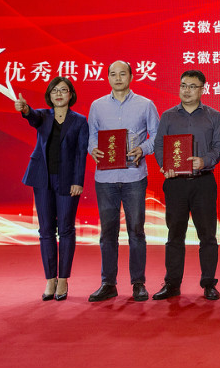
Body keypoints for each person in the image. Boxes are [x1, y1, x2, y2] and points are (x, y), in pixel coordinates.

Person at [87, 61, 159, 302]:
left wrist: (142, 149)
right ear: (108, 77)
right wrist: (93, 149)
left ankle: (138, 283)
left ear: (131, 76)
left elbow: (156, 135)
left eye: (122, 74)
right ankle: (108, 283)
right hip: (105, 178)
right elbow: (91, 136)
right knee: (108, 232)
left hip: (134, 177)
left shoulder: (145, 104)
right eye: (113, 74)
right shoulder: (97, 106)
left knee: (136, 231)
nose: (118, 78)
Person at [152, 70, 220, 301]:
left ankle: (209, 283)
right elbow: (159, 146)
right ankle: (172, 284)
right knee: (175, 235)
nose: (187, 90)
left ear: (203, 89)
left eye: (193, 86)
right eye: (183, 85)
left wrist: (205, 160)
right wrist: (165, 165)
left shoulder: (213, 116)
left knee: (208, 236)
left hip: (204, 182)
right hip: (175, 183)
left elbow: (219, 146)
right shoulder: (168, 116)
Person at [15, 77, 88, 301]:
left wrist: (78, 181)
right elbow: (32, 116)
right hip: (42, 179)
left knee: (65, 229)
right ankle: (50, 279)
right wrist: (25, 109)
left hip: (68, 181)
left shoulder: (79, 121)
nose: (59, 94)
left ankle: (63, 278)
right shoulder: (43, 116)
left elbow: (81, 154)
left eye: (63, 90)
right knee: (45, 230)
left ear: (70, 94)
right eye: (54, 90)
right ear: (49, 95)